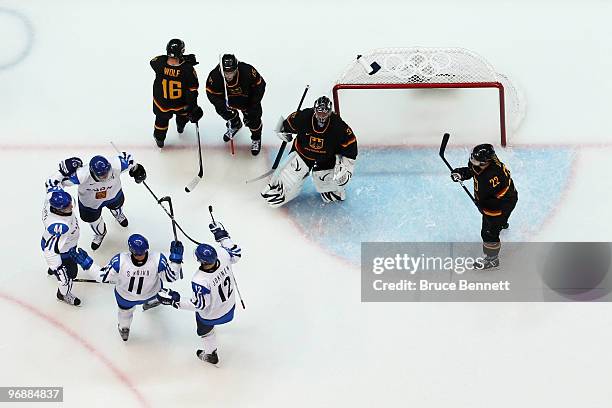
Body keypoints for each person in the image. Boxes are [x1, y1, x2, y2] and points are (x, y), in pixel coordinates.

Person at [157, 220, 242, 365]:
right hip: (230, 307)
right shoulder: (222, 254)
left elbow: (199, 305)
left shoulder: (200, 279)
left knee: (204, 329)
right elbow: (236, 253)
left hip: (213, 315)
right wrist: (222, 237)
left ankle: (210, 354)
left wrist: (174, 300)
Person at [261, 96, 358, 206]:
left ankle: (330, 189)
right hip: (303, 153)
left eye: (325, 114)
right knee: (289, 180)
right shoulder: (303, 116)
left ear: (330, 112)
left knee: (329, 184)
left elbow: (351, 145)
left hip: (326, 156)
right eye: (319, 113)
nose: (322, 116)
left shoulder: (338, 125)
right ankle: (281, 188)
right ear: (315, 110)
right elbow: (286, 124)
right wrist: (283, 132)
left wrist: (346, 166)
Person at [45, 153, 147, 250]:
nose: (105, 176)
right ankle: (100, 234)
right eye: (101, 175)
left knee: (118, 207)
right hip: (90, 203)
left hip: (113, 195)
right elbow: (53, 184)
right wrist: (61, 172)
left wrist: (138, 169)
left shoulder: (118, 164)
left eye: (106, 172)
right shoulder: (81, 175)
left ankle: (118, 215)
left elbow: (131, 160)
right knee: (94, 221)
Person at [97, 234, 184, 341]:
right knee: (159, 292)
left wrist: (86, 263)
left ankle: (124, 328)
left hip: (126, 298)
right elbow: (171, 277)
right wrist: (176, 259)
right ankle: (150, 303)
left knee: (125, 313)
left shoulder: (120, 260)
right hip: (151, 293)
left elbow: (102, 276)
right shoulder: (158, 259)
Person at [451, 144, 518, 270]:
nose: (472, 161)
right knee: (499, 220)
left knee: (488, 232)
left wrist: (483, 207)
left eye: (476, 160)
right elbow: (472, 170)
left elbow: (496, 202)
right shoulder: (483, 164)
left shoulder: (493, 176)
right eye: (473, 157)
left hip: (502, 203)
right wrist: (461, 173)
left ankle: (492, 259)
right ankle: (502, 222)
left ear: (485, 162)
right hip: (503, 198)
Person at [41, 189, 99, 306]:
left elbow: (51, 184)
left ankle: (53, 269)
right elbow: (50, 251)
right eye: (67, 206)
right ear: (58, 210)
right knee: (70, 274)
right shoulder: (60, 227)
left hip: (56, 243)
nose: (71, 206)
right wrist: (58, 268)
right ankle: (63, 295)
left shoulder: (50, 198)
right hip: (61, 251)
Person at [205, 54, 266, 156]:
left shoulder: (247, 71)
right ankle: (235, 125)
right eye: (226, 73)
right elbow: (211, 94)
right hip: (229, 101)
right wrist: (221, 105)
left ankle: (256, 138)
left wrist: (254, 104)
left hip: (248, 100)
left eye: (231, 72)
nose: (228, 76)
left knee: (254, 119)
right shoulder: (215, 76)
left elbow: (260, 85)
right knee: (224, 112)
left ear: (236, 69)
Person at [150, 38, 203, 148]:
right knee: (183, 117)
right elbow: (192, 90)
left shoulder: (159, 64)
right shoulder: (187, 69)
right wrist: (193, 107)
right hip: (180, 104)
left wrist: (178, 58)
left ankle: (159, 140)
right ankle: (180, 127)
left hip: (162, 104)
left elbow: (153, 61)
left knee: (161, 122)